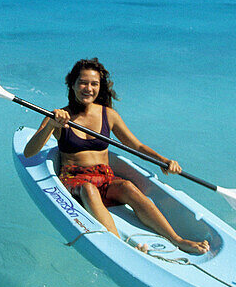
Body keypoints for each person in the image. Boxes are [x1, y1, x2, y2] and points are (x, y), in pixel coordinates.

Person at [23, 58, 210, 255]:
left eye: (94, 84)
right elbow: (29, 152)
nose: (88, 88)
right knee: (88, 189)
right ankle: (120, 247)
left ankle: (178, 239)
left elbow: (135, 145)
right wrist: (52, 125)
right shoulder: (59, 116)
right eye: (83, 82)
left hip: (105, 177)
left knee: (128, 186)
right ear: (72, 84)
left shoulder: (108, 114)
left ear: (100, 87)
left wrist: (163, 161)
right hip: (75, 180)